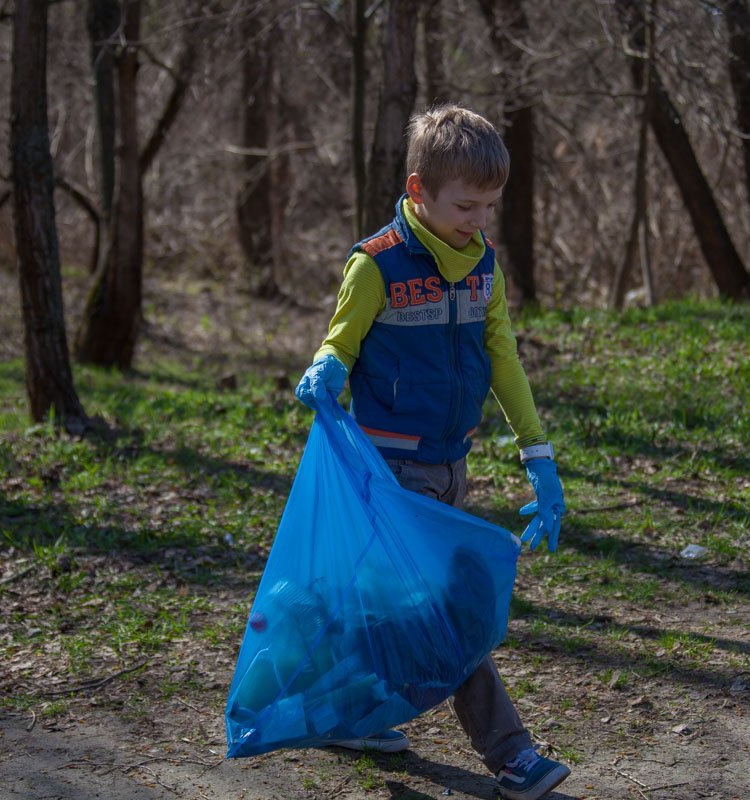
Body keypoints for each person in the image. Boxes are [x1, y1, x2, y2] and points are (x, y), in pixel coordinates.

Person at [295, 104, 569, 800]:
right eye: (465, 205)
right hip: (390, 472)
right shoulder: (376, 265)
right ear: (418, 191)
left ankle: (346, 713)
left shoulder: (483, 267)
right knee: (450, 611)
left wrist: (538, 454)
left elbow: (502, 357)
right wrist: (326, 365)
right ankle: (511, 754)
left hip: (453, 465)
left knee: (391, 605)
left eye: (490, 206)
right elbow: (341, 341)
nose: (478, 220)